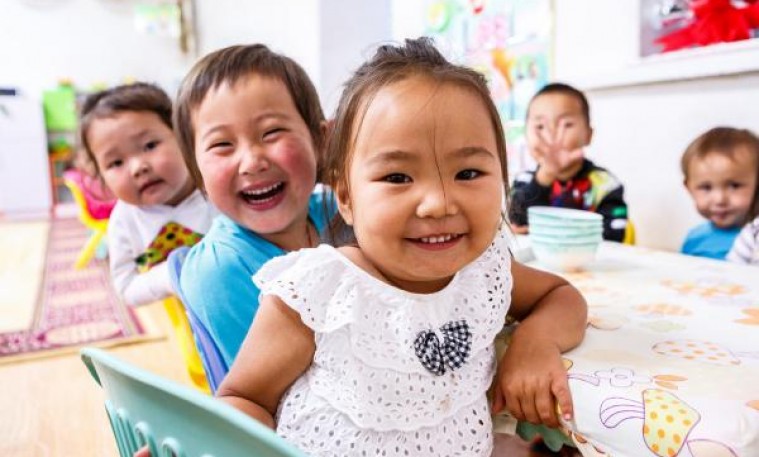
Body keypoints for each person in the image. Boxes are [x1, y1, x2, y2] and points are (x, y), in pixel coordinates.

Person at [216, 37, 587, 456]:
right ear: (346, 196)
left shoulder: (483, 271)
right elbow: (243, 399)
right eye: (397, 178)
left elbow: (561, 296)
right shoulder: (322, 290)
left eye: (468, 173)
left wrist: (535, 342)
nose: (438, 203)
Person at [173, 44, 333, 368]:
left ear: (319, 141)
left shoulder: (339, 216)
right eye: (222, 145)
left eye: (272, 132)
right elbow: (277, 388)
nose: (252, 162)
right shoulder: (219, 270)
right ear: (197, 172)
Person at [79, 82, 217, 307]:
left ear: (183, 136)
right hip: (183, 317)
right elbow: (125, 287)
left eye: (150, 145)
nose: (138, 168)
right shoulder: (125, 219)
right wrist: (169, 276)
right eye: (116, 162)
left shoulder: (217, 186)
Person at [509, 83, 629, 242]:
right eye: (540, 126)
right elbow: (516, 222)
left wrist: (553, 236)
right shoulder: (524, 180)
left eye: (566, 125)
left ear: (588, 134)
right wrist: (545, 175)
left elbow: (614, 237)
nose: (552, 134)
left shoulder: (606, 185)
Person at [680, 127, 759, 260]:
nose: (720, 200)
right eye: (706, 187)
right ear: (689, 189)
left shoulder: (754, 240)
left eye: (734, 186)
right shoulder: (694, 239)